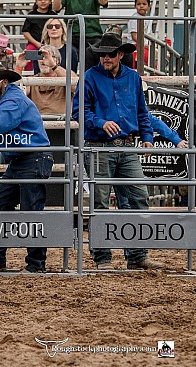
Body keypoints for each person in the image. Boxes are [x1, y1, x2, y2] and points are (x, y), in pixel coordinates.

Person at [72, 33, 163, 270]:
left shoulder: (132, 78)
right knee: (101, 202)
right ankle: (104, 257)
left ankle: (136, 254)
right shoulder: (89, 78)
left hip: (126, 145)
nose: (105, 58)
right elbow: (78, 112)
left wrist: (147, 138)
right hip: (99, 146)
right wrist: (100, 122)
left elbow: (142, 112)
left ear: (120, 54)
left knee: (138, 198)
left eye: (110, 54)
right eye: (102, 54)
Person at [0, 63, 54, 273]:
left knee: (31, 210)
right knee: (1, 205)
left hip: (33, 158)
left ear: (4, 83)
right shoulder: (1, 100)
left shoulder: (13, 101)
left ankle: (36, 264)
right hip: (21, 160)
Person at [16, 45, 77, 115]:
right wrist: (18, 68)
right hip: (38, 122)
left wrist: (53, 66)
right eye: (41, 56)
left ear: (57, 60)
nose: (44, 60)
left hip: (63, 122)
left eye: (48, 57)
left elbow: (76, 86)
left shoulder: (65, 76)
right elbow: (16, 93)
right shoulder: (31, 80)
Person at [21, 0, 56, 71]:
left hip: (51, 44)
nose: (43, 1)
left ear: (50, 2)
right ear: (36, 2)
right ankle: (29, 74)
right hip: (34, 44)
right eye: (40, 0)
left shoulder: (53, 15)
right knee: (29, 52)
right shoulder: (31, 15)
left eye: (46, 0)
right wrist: (36, 43)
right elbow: (25, 32)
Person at [127, 0, 153, 68]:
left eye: (144, 4)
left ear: (148, 6)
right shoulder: (134, 18)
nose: (141, 6)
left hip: (144, 45)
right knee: (146, 55)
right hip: (134, 45)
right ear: (135, 6)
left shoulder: (148, 20)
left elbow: (150, 35)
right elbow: (134, 36)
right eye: (139, 4)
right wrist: (144, 44)